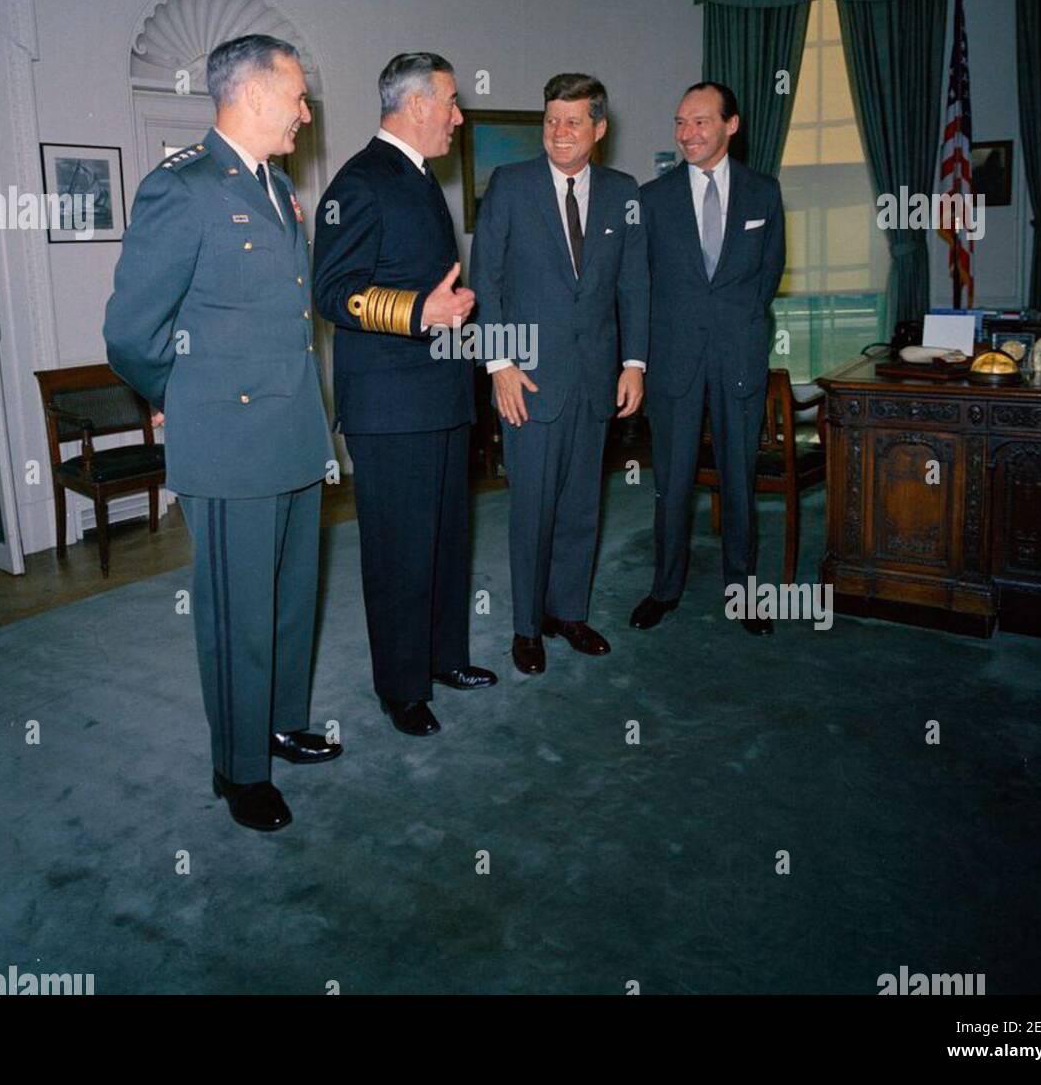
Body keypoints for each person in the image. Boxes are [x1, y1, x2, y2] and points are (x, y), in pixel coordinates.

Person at [104, 34, 340, 833]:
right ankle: (239, 769)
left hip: (294, 432)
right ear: (251, 95)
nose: (307, 113)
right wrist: (183, 394)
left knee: (289, 599)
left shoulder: (277, 187)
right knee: (237, 612)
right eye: (298, 96)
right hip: (231, 440)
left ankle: (281, 721)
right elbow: (131, 331)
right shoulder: (185, 187)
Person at [313, 53, 497, 737]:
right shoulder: (361, 181)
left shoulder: (417, 178)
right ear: (416, 104)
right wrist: (423, 312)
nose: (457, 116)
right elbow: (334, 292)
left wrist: (451, 319)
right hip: (391, 412)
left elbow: (431, 290)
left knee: (447, 542)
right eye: (451, 102)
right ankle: (400, 688)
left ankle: (444, 658)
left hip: (440, 398)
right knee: (399, 553)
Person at [470, 73, 648, 675]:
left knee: (580, 506)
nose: (559, 132)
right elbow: (486, 279)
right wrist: (498, 365)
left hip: (597, 378)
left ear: (599, 129)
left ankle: (567, 613)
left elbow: (634, 286)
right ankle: (526, 627)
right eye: (551, 120)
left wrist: (634, 363)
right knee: (532, 509)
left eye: (573, 121)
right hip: (528, 381)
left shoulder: (625, 192)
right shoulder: (511, 186)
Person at [631, 82, 786, 636]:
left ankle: (743, 591)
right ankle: (665, 588)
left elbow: (766, 278)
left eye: (700, 122)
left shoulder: (763, 193)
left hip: (738, 356)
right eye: (680, 122)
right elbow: (641, 284)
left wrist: (737, 329)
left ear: (731, 125)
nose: (687, 134)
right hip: (672, 359)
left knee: (739, 477)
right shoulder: (652, 199)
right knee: (671, 481)